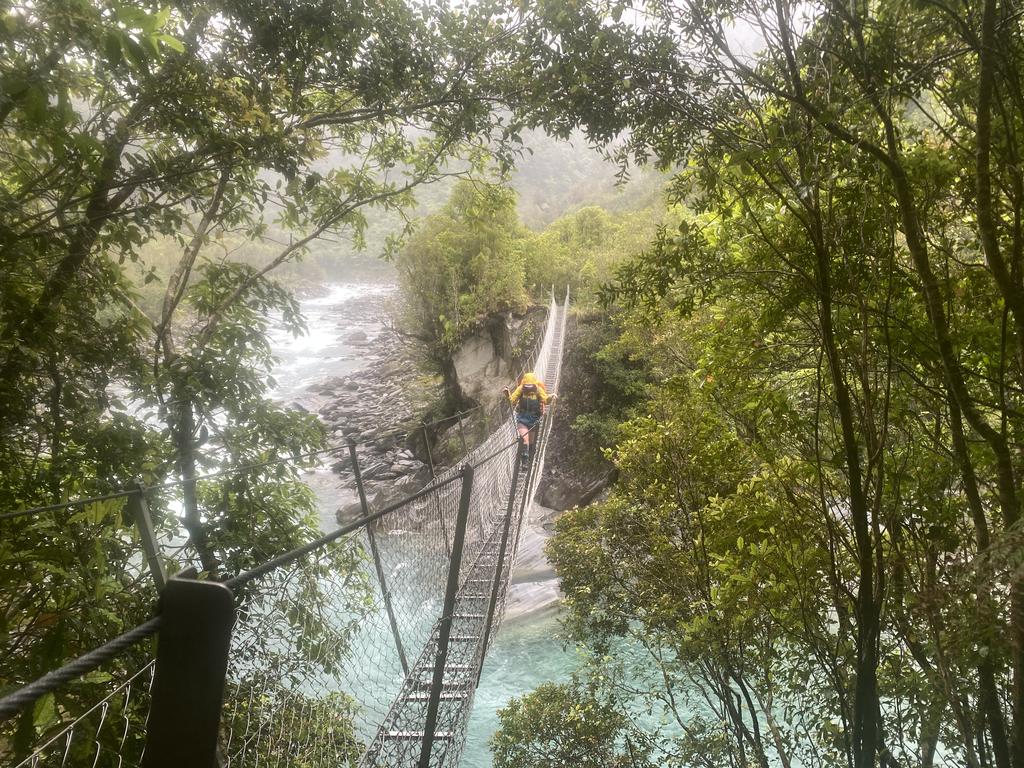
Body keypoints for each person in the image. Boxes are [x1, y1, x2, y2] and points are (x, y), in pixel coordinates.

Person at [504, 372, 552, 466]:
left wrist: (551, 396)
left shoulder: (538, 390)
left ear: (534, 384)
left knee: (531, 442)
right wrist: (507, 394)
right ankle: (525, 463)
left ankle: (531, 459)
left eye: (531, 386)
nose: (529, 388)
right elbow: (512, 401)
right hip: (522, 418)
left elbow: (545, 400)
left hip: (534, 420)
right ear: (524, 384)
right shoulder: (520, 389)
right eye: (527, 386)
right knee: (524, 439)